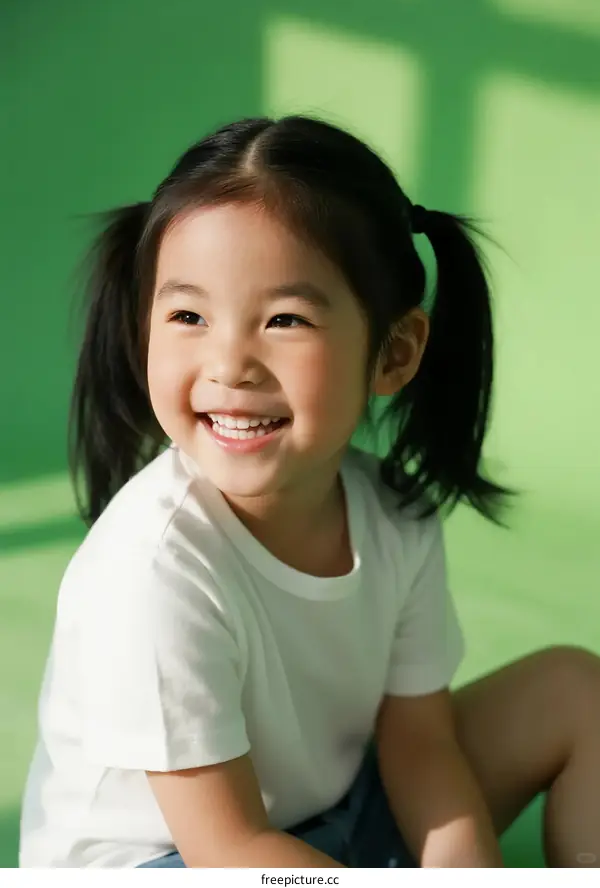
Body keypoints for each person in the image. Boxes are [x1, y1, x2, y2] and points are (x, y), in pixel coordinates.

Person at [19, 115, 600, 869]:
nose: (230, 364)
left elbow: (420, 746)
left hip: (332, 815)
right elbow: (229, 847)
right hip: (175, 862)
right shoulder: (150, 572)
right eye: (188, 315)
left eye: (285, 319)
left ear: (394, 353)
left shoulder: (394, 513)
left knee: (572, 688)